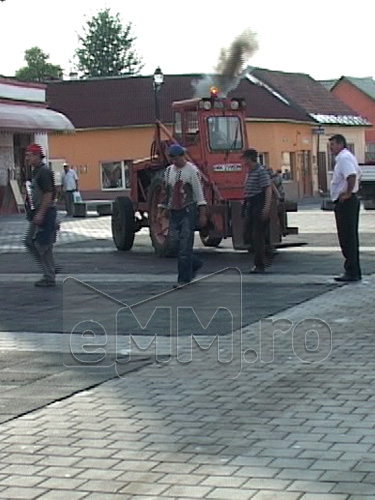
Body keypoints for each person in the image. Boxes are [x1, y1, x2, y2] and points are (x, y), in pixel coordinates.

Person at [157, 144, 207, 288]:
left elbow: (198, 192)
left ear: (182, 156)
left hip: (187, 210)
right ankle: (195, 264)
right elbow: (165, 193)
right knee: (175, 244)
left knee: (185, 245)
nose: (174, 161)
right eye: (172, 158)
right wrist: (161, 211)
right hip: (174, 211)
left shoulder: (192, 171)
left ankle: (183, 279)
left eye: (177, 157)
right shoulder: (168, 171)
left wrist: (202, 212)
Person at [329, 134, 362, 282]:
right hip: (346, 201)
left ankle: (352, 271)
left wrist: (348, 193)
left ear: (341, 143)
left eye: (333, 145)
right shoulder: (345, 158)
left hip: (346, 203)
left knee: (347, 237)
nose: (331, 148)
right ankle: (352, 270)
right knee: (348, 237)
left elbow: (352, 176)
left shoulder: (344, 158)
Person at [24, 143, 58, 287]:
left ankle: (49, 275)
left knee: (43, 244)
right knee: (31, 242)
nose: (27, 159)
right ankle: (49, 270)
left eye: (30, 156)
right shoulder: (36, 171)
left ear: (38, 156)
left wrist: (41, 214)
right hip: (38, 212)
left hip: (44, 212)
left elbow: (48, 194)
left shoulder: (43, 172)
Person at [242, 148, 272, 273]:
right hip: (251, 203)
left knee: (257, 235)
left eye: (244, 158)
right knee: (250, 234)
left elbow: (268, 189)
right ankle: (261, 260)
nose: (243, 160)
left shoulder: (260, 171)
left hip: (258, 203)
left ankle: (259, 264)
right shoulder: (250, 172)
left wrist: (266, 207)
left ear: (249, 158)